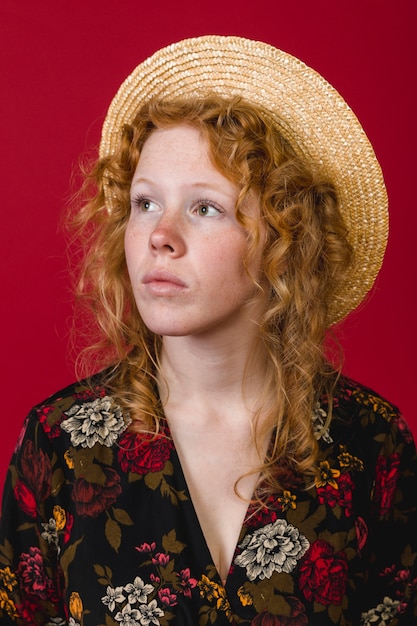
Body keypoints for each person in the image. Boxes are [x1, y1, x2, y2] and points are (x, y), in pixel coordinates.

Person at [0, 35, 415, 626]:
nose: (159, 235)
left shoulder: (374, 444)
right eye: (145, 203)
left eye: (204, 207)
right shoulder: (60, 444)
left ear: (284, 239)